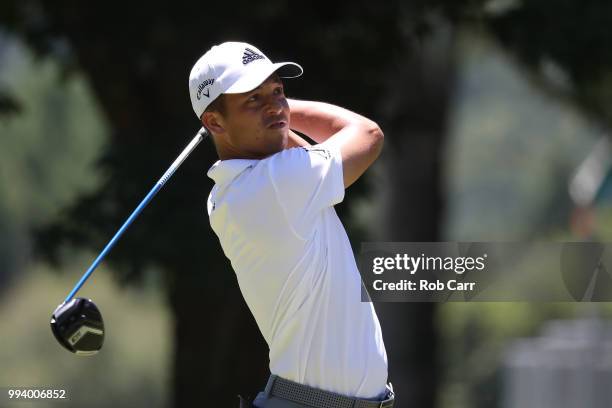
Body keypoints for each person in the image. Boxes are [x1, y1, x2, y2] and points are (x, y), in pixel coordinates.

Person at [188, 42, 394, 408]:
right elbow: (367, 134)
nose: (273, 104)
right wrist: (283, 109)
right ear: (214, 121)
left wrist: (270, 111)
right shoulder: (275, 185)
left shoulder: (248, 187)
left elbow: (293, 149)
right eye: (252, 98)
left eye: (277, 90)